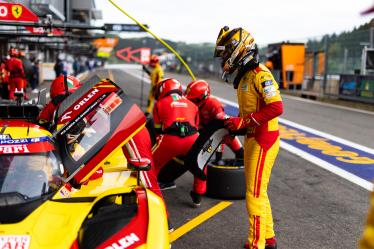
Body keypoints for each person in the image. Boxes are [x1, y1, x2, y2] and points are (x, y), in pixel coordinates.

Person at [214, 26, 283, 249]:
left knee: (253, 194)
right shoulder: (245, 76)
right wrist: (235, 125)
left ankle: (256, 243)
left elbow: (276, 107)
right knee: (258, 191)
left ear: (239, 50)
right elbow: (252, 112)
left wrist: (242, 122)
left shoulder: (260, 74)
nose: (224, 58)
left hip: (264, 139)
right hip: (253, 137)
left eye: (226, 53)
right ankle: (268, 238)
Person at [151, 78, 205, 207]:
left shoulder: (159, 103)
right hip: (192, 139)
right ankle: (197, 196)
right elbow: (196, 126)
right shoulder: (192, 104)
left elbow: (158, 129)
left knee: (151, 165)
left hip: (170, 139)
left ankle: (152, 194)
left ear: (163, 89)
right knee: (201, 165)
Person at [185, 79, 244, 162]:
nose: (191, 102)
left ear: (202, 97)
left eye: (194, 99)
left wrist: (218, 156)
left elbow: (222, 130)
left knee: (240, 154)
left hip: (225, 131)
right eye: (190, 100)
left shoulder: (213, 104)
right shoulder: (193, 107)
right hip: (206, 131)